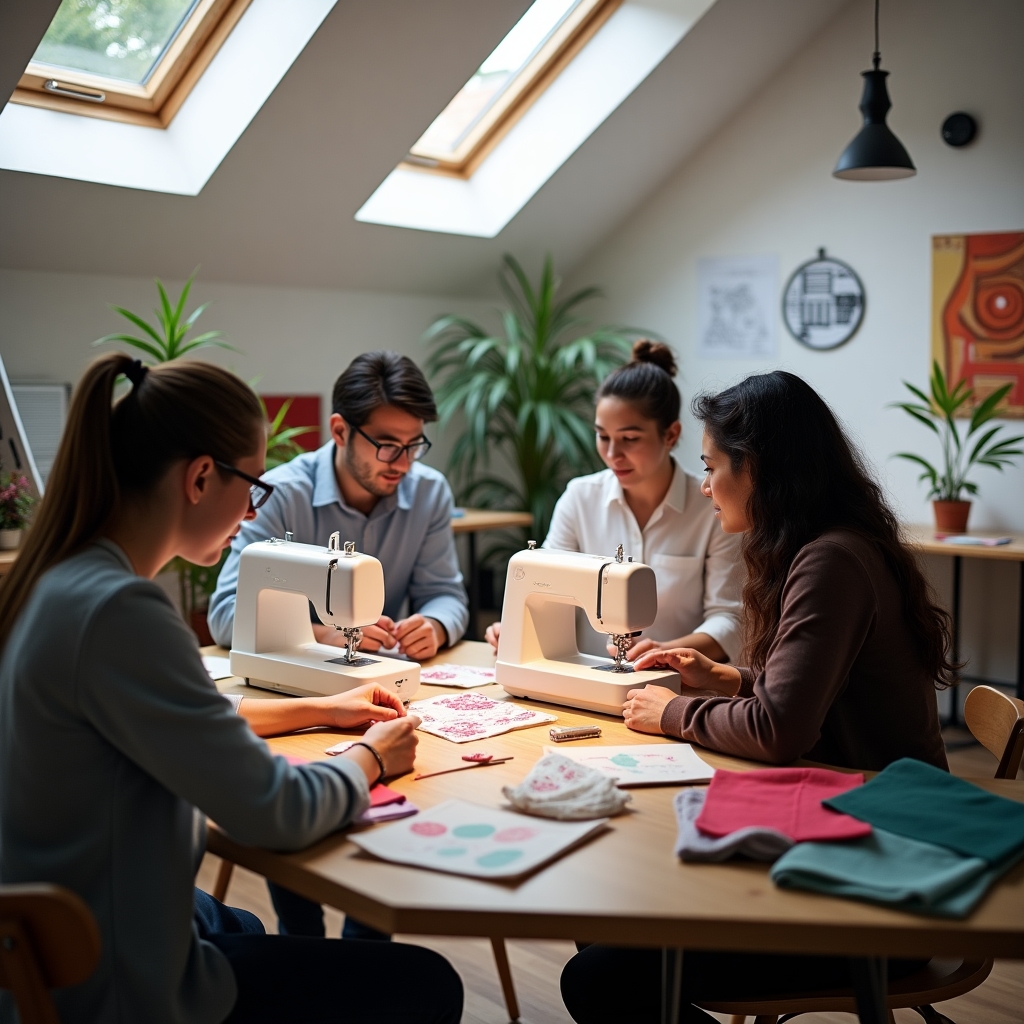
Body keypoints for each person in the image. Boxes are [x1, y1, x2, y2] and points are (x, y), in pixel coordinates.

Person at [0, 353, 463, 1024]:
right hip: (116, 985)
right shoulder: (123, 612)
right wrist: (372, 755)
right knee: (426, 983)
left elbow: (188, 716)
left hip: (65, 935)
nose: (250, 513)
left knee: (243, 925)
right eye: (252, 488)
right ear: (199, 478)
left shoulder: (64, 581)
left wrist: (322, 708)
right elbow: (277, 811)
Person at [559, 370, 952, 1024]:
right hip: (859, 840)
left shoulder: (830, 561)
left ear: (759, 468)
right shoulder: (833, 545)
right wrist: (729, 680)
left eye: (712, 467)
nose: (704, 484)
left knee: (600, 973)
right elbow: (813, 692)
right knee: (607, 915)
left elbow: (779, 731)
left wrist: (673, 712)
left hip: (882, 894)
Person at [207, 350, 469, 939]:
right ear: (340, 430)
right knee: (303, 786)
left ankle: (364, 940)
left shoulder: (428, 492)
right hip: (295, 700)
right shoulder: (281, 494)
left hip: (379, 693)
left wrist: (435, 625)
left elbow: (447, 594)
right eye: (387, 445)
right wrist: (323, 632)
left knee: (405, 779)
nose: (403, 462)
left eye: (415, 444)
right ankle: (302, 936)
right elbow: (225, 615)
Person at [486, 340, 743, 664]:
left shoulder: (712, 507)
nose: (612, 454)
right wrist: (517, 625)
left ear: (670, 435)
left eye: (629, 439)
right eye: (603, 436)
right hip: (587, 674)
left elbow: (729, 619)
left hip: (681, 682)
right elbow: (545, 590)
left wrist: (668, 653)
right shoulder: (580, 499)